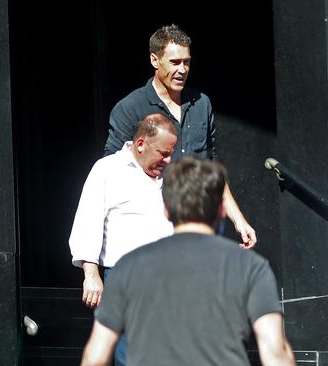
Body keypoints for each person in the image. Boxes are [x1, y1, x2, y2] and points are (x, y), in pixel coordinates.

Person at [80, 157, 295, 366]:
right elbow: (275, 354)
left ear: (166, 209)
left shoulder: (127, 268)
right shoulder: (251, 267)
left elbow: (96, 356)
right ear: (222, 209)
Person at [103, 23, 257, 249]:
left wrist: (239, 220)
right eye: (175, 62)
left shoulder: (201, 104)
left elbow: (212, 169)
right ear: (155, 60)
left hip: (200, 227)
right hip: (151, 231)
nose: (182, 69)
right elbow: (112, 172)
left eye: (187, 62)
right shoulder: (130, 108)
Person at [69, 113, 177, 365]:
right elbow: (88, 219)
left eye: (171, 152)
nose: (168, 159)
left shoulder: (169, 175)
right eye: (163, 152)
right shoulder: (108, 169)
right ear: (141, 144)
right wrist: (91, 273)